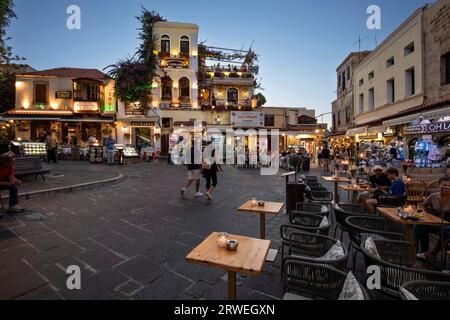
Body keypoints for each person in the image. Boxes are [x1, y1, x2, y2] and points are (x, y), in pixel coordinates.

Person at [414, 177, 450, 261]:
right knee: (421, 226)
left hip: (447, 225)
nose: (446, 187)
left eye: (449, 186)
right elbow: (422, 205)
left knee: (446, 231)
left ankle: (431, 253)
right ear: (439, 185)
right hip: (436, 223)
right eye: (444, 185)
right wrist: (424, 213)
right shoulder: (433, 196)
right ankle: (418, 249)